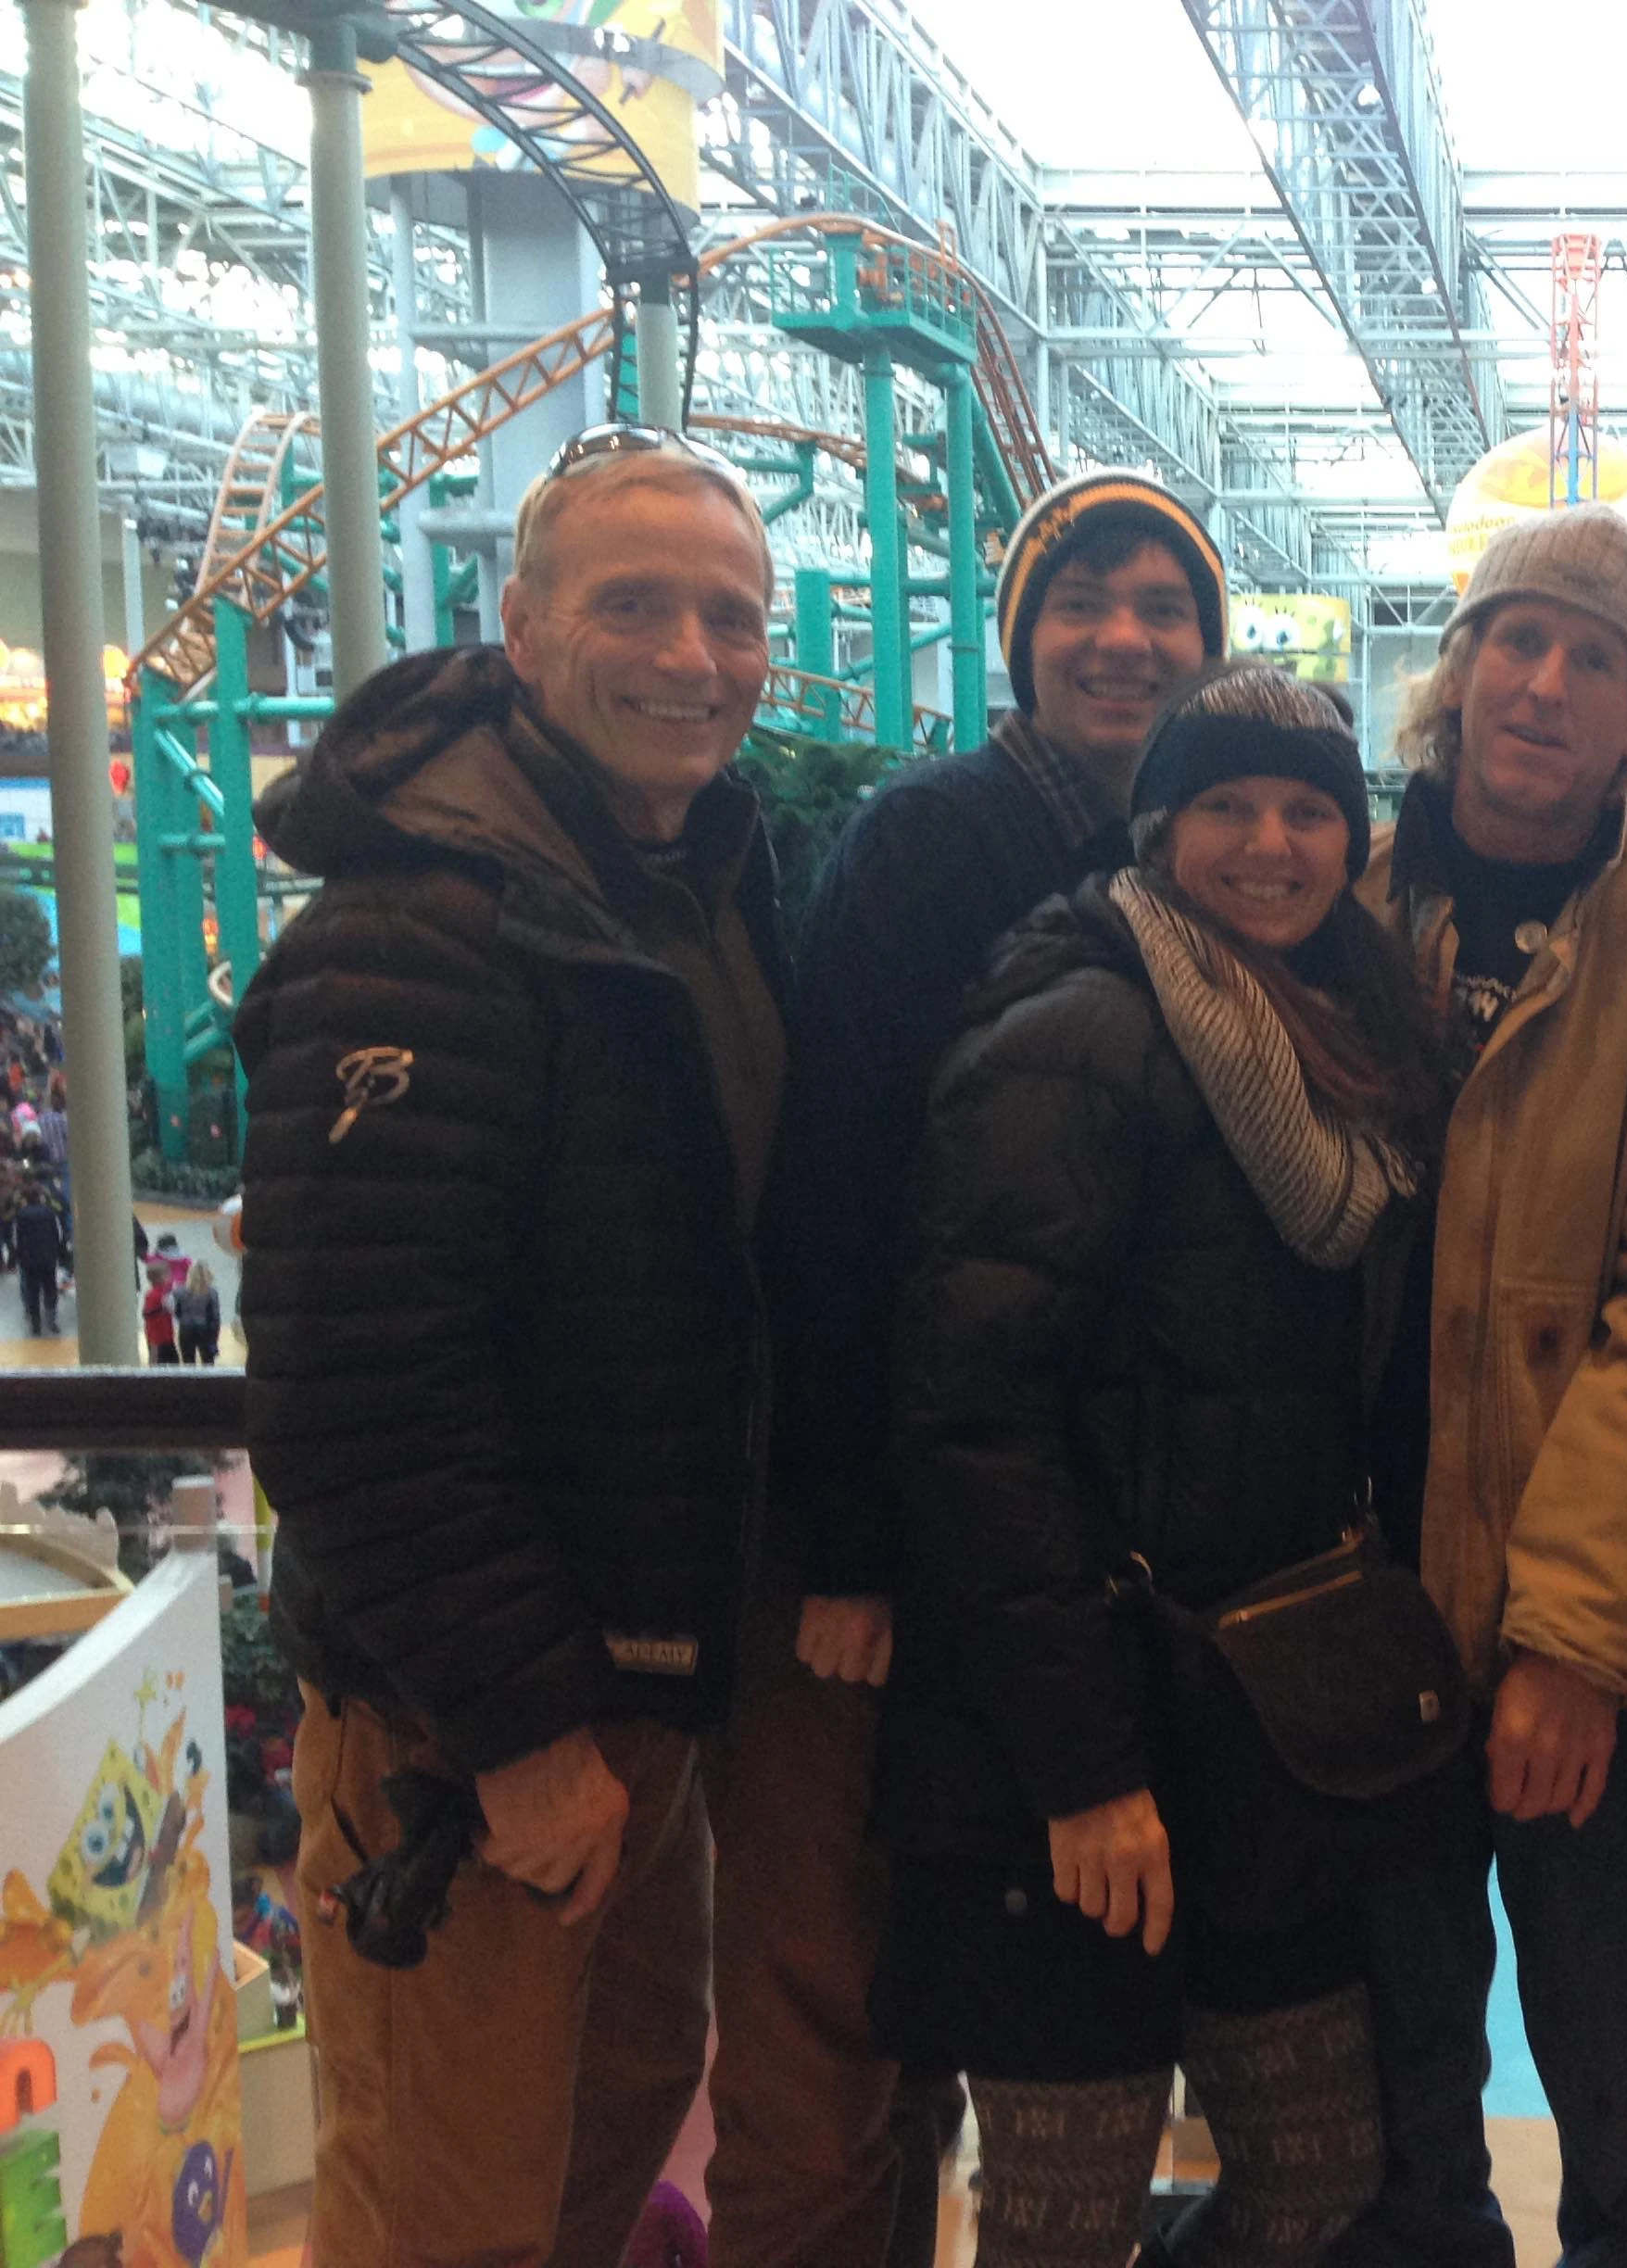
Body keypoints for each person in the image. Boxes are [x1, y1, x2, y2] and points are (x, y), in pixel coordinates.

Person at [235, 422, 874, 2267]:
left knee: (605, 2128)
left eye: (733, 617)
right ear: (518, 627)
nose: (695, 657)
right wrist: (516, 1735)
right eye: (636, 606)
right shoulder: (421, 928)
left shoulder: (676, 886)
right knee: (457, 2190)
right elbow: (361, 1389)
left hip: (631, 1695)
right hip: (479, 1730)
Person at [869, 663, 1442, 2265]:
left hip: (1269, 1726)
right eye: (1226, 807)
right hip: (1076, 1742)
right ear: (1159, 825)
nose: (1270, 843)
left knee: (1317, 2178)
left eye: (1307, 810)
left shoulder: (1344, 1036)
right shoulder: (1078, 1028)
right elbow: (974, 1418)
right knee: (1064, 2208)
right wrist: (1080, 1765)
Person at [758, 465, 1228, 2236]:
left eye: (1161, 607)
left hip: (1124, 1530)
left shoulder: (1210, 854)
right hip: (949, 1516)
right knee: (883, 2009)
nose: (1122, 638)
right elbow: (842, 1192)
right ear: (1021, 636)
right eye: (1081, 602)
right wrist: (855, 1537)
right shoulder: (935, 839)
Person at [1336, 505, 1627, 2268]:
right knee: (1391, 2109)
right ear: (1451, 675)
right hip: (1351, 1622)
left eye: (1593, 659)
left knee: (1625, 2108)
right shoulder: (1334, 895)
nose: (1541, 683)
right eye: (1512, 640)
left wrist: (1573, 1642)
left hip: (1581, 1626)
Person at [8, 1159, 64, 1335]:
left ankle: (35, 1324)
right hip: (48, 1258)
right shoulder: (49, 1212)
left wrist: (16, 1255)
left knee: (32, 1290)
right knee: (50, 1288)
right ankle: (51, 1319)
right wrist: (57, 1251)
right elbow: (59, 1233)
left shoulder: (21, 1215)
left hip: (29, 1260)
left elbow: (15, 1238)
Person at [172, 1254, 221, 1363]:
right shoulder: (212, 1293)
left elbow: (176, 1311)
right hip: (205, 1329)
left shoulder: (180, 1292)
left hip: (186, 1328)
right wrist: (214, 1338)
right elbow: (215, 1317)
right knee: (208, 1362)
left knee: (188, 1362)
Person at [139, 1255, 177, 1366]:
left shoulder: (159, 1293)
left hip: (164, 1336)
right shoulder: (156, 1295)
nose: (170, 1277)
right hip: (159, 1338)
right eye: (167, 1274)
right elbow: (148, 1313)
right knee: (163, 1364)